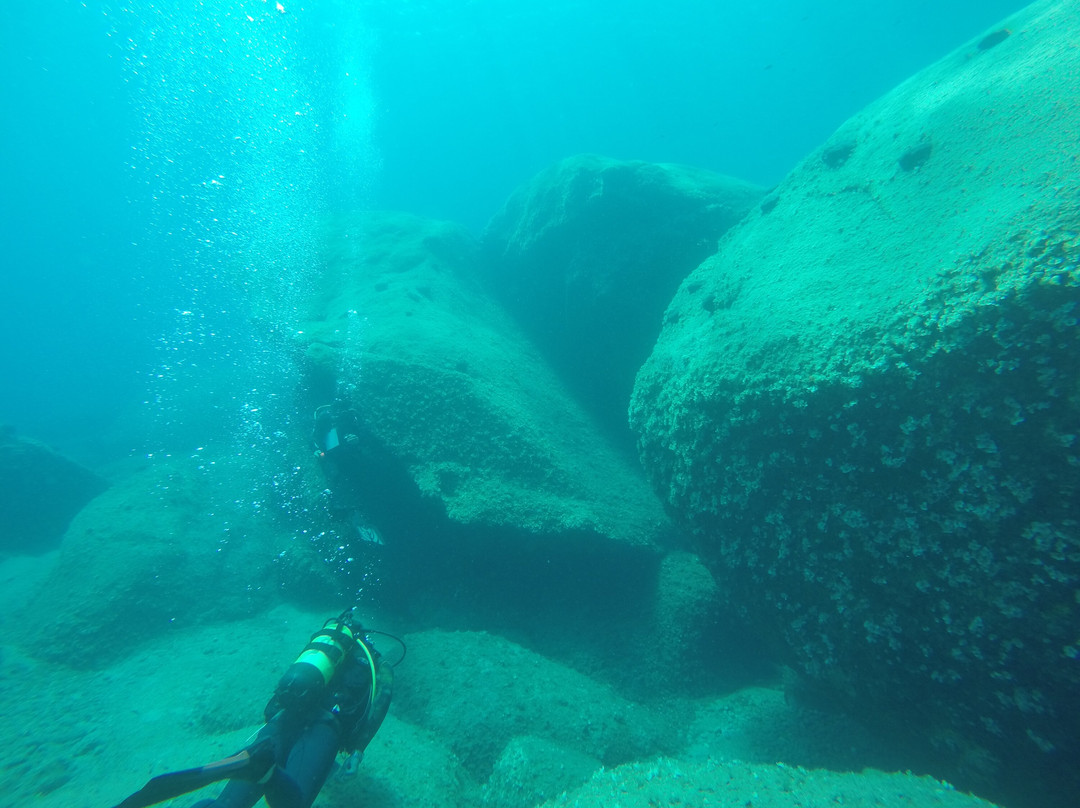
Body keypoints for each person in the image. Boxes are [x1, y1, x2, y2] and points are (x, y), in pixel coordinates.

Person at [113, 610, 395, 808]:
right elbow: (379, 704)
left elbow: (284, 691)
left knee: (227, 803)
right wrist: (358, 751)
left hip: (284, 718)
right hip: (326, 727)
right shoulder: (376, 664)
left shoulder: (321, 650)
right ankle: (266, 772)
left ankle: (254, 764)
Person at [312, 405, 384, 545]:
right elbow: (315, 440)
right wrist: (317, 451)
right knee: (345, 491)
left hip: (354, 460)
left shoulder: (349, 417)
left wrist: (357, 439)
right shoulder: (324, 421)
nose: (334, 420)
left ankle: (360, 519)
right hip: (339, 463)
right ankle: (356, 519)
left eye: (336, 418)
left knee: (357, 488)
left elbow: (367, 433)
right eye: (332, 419)